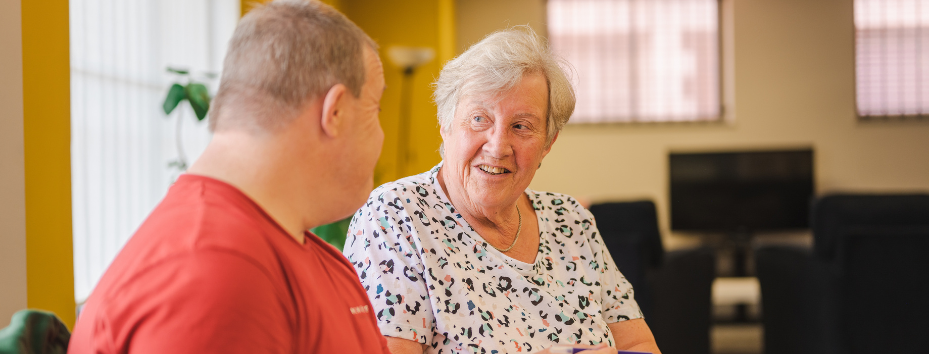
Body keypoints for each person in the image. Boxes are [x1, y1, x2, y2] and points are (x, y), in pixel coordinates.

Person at [68, 1, 389, 353]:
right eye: (375, 109)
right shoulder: (216, 275)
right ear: (335, 112)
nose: (381, 137)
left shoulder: (309, 258)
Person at [342, 27, 662, 354]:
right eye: (479, 119)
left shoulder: (572, 221)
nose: (497, 147)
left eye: (521, 126)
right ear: (445, 124)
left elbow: (639, 344)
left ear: (548, 143)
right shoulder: (394, 217)